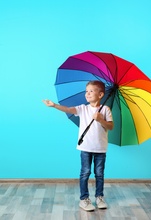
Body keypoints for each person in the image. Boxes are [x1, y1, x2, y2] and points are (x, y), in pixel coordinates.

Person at [43, 80, 114, 211]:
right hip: (85, 147)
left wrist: (100, 119)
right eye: (86, 91)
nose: (87, 93)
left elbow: (110, 126)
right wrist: (54, 105)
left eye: (91, 91)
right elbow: (69, 109)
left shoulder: (105, 110)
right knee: (85, 173)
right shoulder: (83, 108)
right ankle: (84, 199)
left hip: (100, 148)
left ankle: (99, 197)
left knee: (99, 174)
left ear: (100, 94)